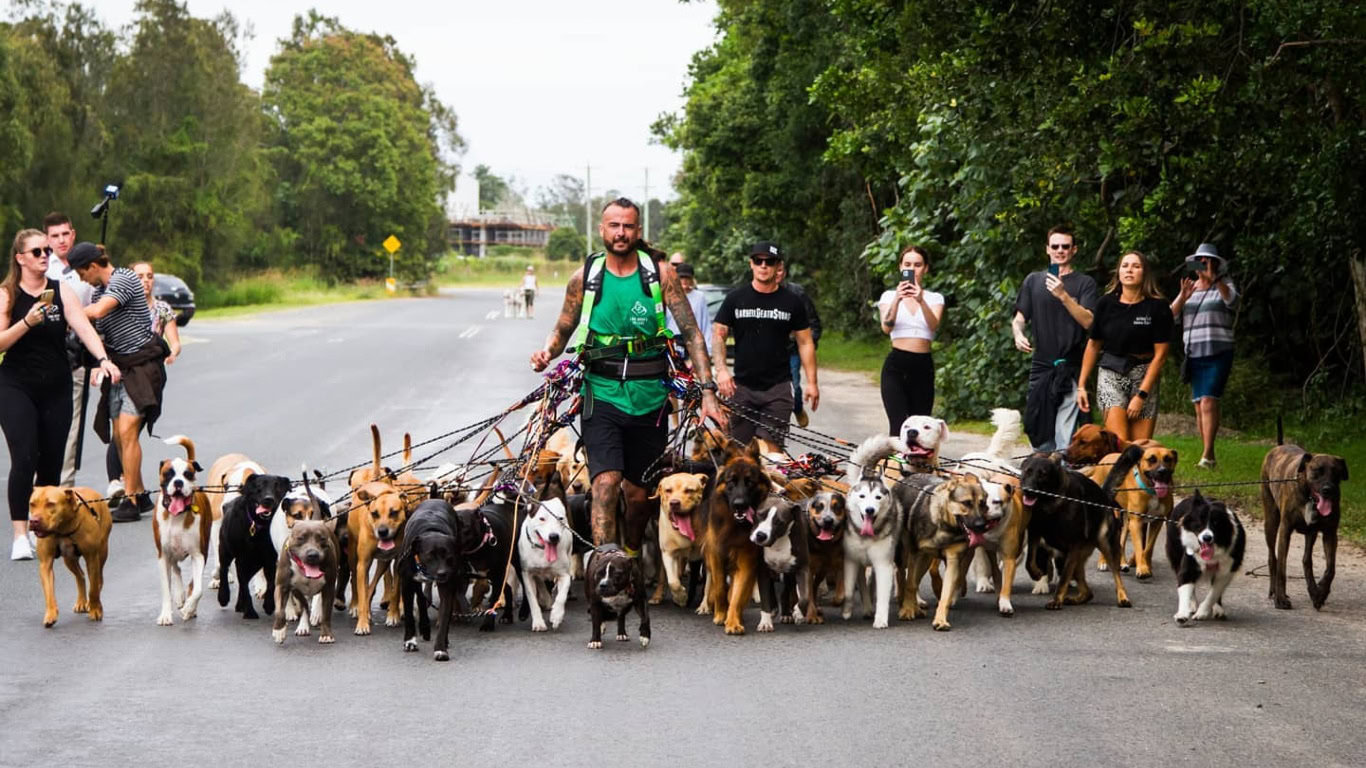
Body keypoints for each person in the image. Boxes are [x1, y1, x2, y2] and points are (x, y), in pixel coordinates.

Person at [530, 198, 723, 553]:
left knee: (638, 495)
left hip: (651, 398)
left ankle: (631, 552)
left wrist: (708, 392)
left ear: (638, 231)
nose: (621, 233)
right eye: (614, 225)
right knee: (605, 483)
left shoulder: (661, 275)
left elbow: (693, 334)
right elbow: (563, 328)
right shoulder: (585, 278)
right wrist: (547, 352)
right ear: (602, 230)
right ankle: (606, 562)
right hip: (600, 396)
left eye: (628, 226)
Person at [1, 230, 119, 559]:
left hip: (55, 385)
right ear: (20, 258)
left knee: (52, 463)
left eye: (46, 250)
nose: (43, 255)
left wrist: (104, 359)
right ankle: (20, 535)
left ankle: (47, 533)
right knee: (24, 456)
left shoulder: (61, 290)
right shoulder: (7, 294)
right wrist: (26, 322)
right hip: (15, 384)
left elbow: (83, 327)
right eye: (36, 251)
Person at [67, 242, 165, 523]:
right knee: (120, 437)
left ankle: (131, 501)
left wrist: (68, 312)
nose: (81, 278)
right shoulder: (99, 290)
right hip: (118, 367)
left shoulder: (124, 279)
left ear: (93, 266)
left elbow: (97, 313)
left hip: (142, 366)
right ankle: (141, 493)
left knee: (127, 431)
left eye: (81, 272)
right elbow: (94, 330)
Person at [713, 242, 818, 448]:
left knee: (771, 456)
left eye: (769, 262)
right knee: (737, 454)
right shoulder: (736, 298)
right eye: (758, 261)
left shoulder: (792, 302)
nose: (763, 266)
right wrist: (722, 370)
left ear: (778, 266)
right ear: (751, 264)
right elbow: (718, 335)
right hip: (741, 388)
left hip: (777, 390)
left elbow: (805, 342)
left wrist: (812, 382)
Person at [1013, 226, 1098, 451]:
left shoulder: (1084, 283)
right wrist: (1018, 333)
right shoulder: (1033, 280)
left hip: (1071, 366)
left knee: (1065, 434)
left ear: (1074, 250)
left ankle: (1063, 475)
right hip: (1041, 364)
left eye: (1065, 246)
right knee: (1037, 427)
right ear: (1047, 249)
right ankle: (1042, 476)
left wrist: (1063, 295)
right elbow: (1020, 317)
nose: (1060, 251)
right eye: (1055, 246)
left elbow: (1089, 321)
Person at [1076, 250, 1172, 441]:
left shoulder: (1158, 307)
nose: (1129, 270)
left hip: (1144, 375)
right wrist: (1081, 385)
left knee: (1138, 447)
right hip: (1111, 373)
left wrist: (1141, 395)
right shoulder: (1105, 303)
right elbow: (1093, 345)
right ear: (1118, 272)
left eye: (1136, 266)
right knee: (1120, 443)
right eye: (1125, 266)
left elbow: (1160, 356)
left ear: (1144, 273)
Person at [1170, 243, 1238, 469]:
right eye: (1199, 261)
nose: (1203, 265)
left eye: (1208, 261)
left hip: (1218, 350)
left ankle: (1207, 455)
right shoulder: (1190, 287)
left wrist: (1215, 279)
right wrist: (1183, 295)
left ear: (1216, 264)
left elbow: (1232, 301)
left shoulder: (1224, 285)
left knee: (1209, 400)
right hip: (1194, 353)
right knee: (1199, 404)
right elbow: (1170, 316)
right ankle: (1208, 453)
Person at [43, 212, 96, 487]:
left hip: (79, 352)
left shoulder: (88, 262)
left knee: (73, 424)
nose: (61, 240)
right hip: (49, 351)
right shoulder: (43, 266)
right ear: (47, 239)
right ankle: (41, 484)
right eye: (55, 236)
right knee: (43, 422)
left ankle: (64, 487)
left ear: (73, 234)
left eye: (65, 234)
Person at [877, 245, 945, 436]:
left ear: (925, 269)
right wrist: (898, 299)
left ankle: (917, 465)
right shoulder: (889, 296)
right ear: (900, 267)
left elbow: (933, 325)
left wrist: (921, 300)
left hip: (922, 364)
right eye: (907, 264)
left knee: (921, 427)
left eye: (917, 265)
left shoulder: (934, 298)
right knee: (898, 426)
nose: (912, 269)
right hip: (896, 364)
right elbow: (886, 326)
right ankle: (895, 465)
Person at [775, 261, 821, 428]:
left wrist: (808, 344)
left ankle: (798, 407)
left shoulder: (797, 293)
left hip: (792, 349)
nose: (777, 274)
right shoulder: (760, 293)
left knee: (794, 386)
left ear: (784, 272)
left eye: (781, 270)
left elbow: (813, 322)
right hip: (770, 352)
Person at [666, 262, 711, 356]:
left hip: (693, 340)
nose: (684, 280)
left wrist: (708, 350)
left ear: (692, 279)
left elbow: (705, 323)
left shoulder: (699, 297)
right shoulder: (669, 295)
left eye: (687, 278)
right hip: (672, 341)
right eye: (681, 277)